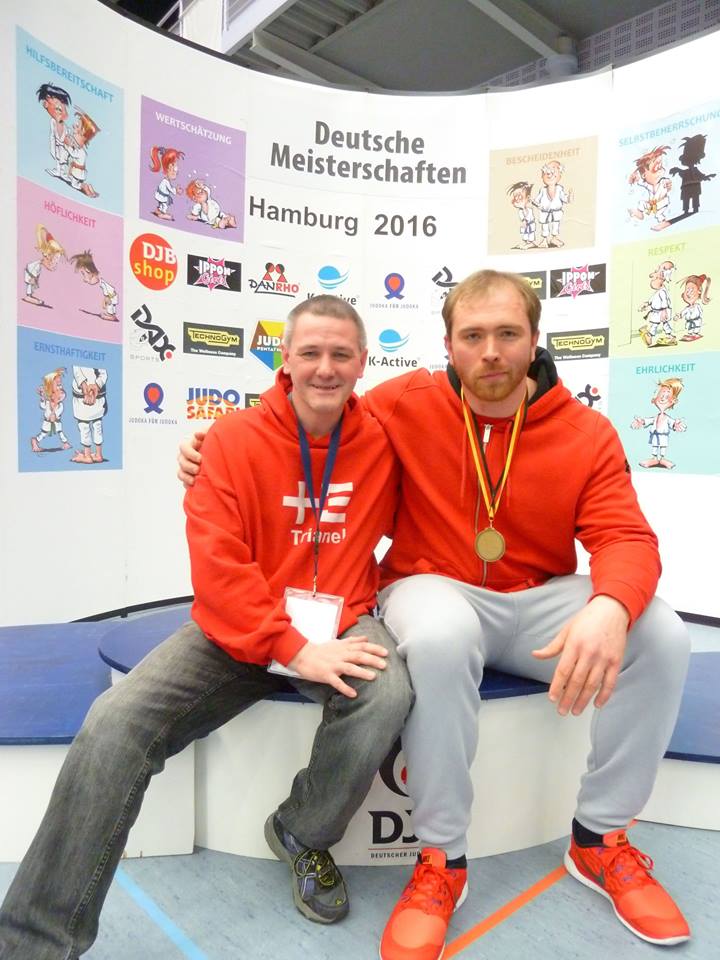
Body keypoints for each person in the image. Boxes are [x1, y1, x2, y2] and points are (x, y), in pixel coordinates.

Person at [179, 270, 691, 959]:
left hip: (538, 599)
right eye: (472, 336)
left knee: (660, 632)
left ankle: (599, 838)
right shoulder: (402, 403)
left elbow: (625, 536)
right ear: (448, 345)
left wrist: (610, 603)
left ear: (534, 339)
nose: (491, 352)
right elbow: (311, 412)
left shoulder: (586, 432)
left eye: (507, 334)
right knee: (443, 635)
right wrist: (212, 446)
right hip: (432, 587)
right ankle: (442, 859)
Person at [0, 295, 412, 958]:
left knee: (385, 694)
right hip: (236, 630)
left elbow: (457, 390)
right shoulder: (231, 439)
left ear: (364, 361)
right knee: (113, 726)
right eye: (310, 352)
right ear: (285, 359)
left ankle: (302, 832)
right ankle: (34, 943)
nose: (325, 367)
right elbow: (219, 569)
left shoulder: (386, 439)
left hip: (342, 618)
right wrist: (289, 646)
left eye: (341, 354)